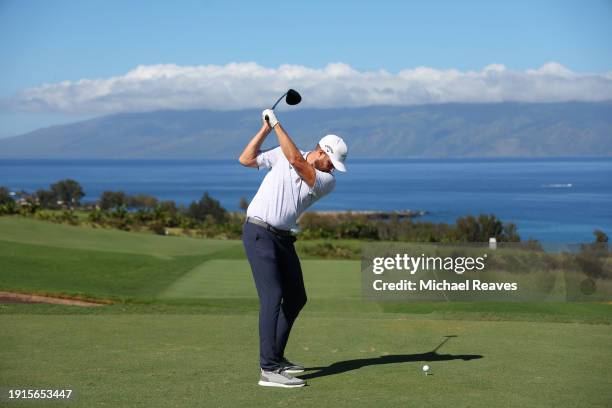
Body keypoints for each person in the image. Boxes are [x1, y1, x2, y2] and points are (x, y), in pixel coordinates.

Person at [238, 108, 348, 388]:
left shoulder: (326, 181)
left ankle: (276, 357)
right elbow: (246, 159)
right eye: (331, 162)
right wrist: (265, 128)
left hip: (283, 238)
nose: (333, 168)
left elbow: (297, 161)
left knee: (296, 297)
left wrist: (276, 122)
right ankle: (269, 369)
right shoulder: (283, 153)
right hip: (259, 231)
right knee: (273, 296)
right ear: (321, 152)